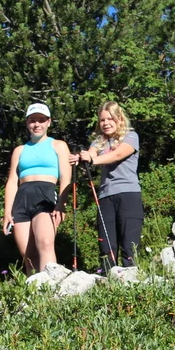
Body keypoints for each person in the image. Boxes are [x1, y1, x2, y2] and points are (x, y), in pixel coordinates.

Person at [2, 103, 72, 275]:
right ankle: (34, 299)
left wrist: (61, 204)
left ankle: (51, 292)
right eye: (33, 120)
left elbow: (66, 177)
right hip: (22, 197)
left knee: (45, 242)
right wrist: (7, 212)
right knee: (28, 256)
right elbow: (12, 182)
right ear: (27, 123)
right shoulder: (20, 150)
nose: (37, 124)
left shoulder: (58, 145)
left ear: (49, 122)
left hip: (46, 194)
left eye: (41, 120)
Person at [72, 101, 142, 268]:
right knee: (106, 247)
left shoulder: (131, 136)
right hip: (105, 196)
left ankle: (131, 282)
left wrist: (92, 160)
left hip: (128, 194)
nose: (105, 123)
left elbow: (117, 155)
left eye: (110, 119)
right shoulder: (100, 141)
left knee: (129, 245)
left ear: (119, 119)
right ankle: (108, 281)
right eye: (102, 120)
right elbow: (90, 152)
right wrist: (79, 157)